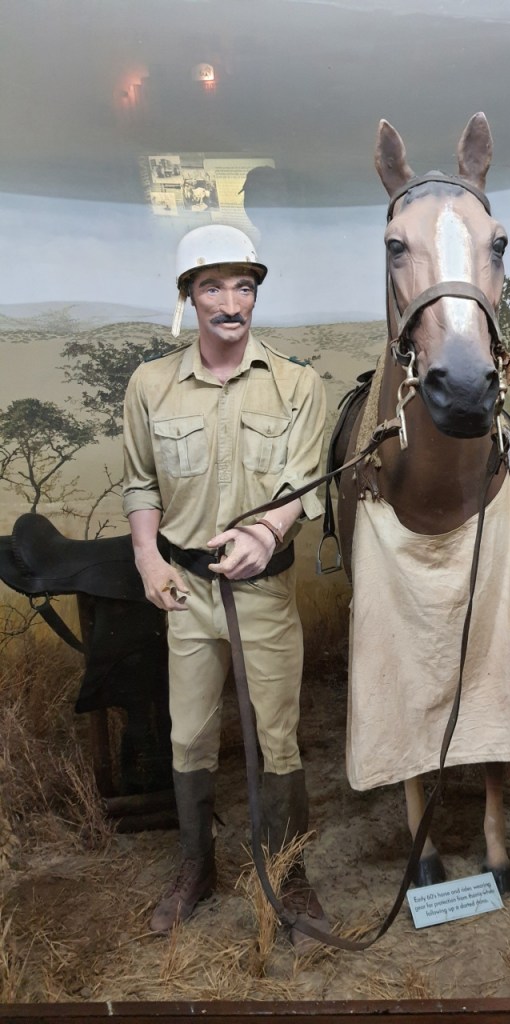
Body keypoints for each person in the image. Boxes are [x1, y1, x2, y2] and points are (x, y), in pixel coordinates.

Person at [122, 224, 328, 946]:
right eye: (212, 285)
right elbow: (142, 484)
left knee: (277, 736)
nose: (230, 301)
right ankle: (195, 869)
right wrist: (148, 560)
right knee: (190, 734)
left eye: (244, 285)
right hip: (184, 586)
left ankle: (289, 872)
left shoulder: (299, 384)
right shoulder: (150, 384)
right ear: (189, 297)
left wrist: (265, 534)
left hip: (261, 592)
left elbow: (302, 485)